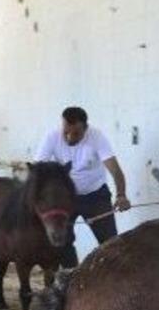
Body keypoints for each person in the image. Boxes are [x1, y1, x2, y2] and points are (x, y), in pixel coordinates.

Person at [35, 106, 131, 268]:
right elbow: (38, 169)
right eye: (66, 131)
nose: (69, 137)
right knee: (62, 241)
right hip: (65, 199)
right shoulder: (52, 137)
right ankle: (70, 277)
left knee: (110, 243)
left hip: (95, 195)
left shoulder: (97, 137)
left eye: (76, 133)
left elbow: (115, 169)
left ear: (85, 128)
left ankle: (111, 278)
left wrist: (121, 195)